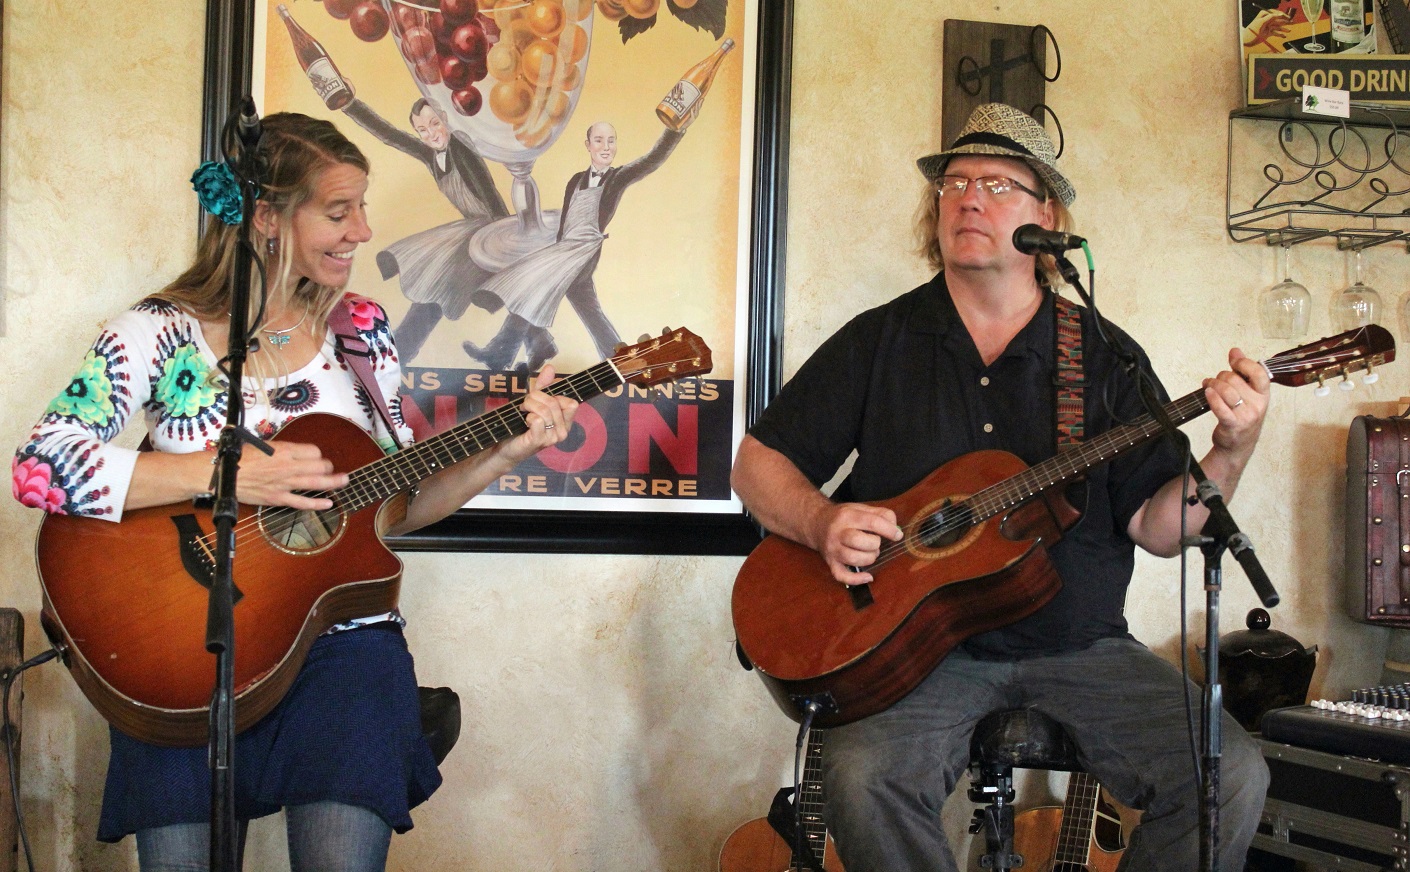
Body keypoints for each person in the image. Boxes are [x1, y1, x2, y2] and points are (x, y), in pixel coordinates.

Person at [11, 113, 577, 871]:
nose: (363, 230)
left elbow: (392, 507)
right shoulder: (157, 332)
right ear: (268, 218)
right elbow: (41, 466)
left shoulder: (361, 332)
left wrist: (509, 449)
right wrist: (229, 474)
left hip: (341, 653)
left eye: (361, 208)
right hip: (183, 652)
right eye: (339, 211)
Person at [729, 103, 1272, 872]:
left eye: (996, 184)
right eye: (954, 183)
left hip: (1081, 643)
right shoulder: (881, 339)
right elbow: (756, 464)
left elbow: (1160, 528)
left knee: (1232, 773)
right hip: (917, 652)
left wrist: (1231, 448)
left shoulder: (1103, 354)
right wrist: (821, 522)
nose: (969, 200)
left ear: (1046, 217)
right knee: (860, 778)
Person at [463, 119, 686, 371]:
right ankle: (619, 361)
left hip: (582, 255)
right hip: (564, 253)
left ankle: (504, 353)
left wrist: (675, 130)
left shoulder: (617, 178)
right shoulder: (576, 180)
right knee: (590, 312)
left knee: (531, 291)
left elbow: (651, 160)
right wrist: (554, 254)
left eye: (611, 141)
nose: (606, 147)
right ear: (588, 145)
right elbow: (565, 225)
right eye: (599, 140)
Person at [335, 92, 511, 363]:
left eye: (435, 123)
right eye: (422, 130)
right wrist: (350, 104)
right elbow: (390, 135)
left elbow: (490, 195)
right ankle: (404, 350)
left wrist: (505, 238)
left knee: (438, 281)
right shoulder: (431, 155)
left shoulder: (462, 149)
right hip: (472, 233)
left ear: (447, 120)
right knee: (436, 284)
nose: (431, 134)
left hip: (490, 233)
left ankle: (403, 349)